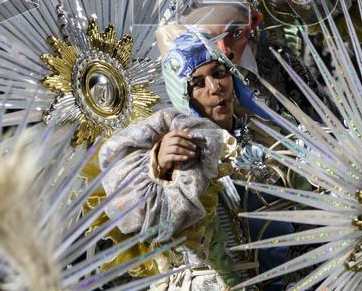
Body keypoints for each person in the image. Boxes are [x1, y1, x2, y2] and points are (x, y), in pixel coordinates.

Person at [97, 28, 293, 289]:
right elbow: (155, 226)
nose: (215, 88)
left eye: (219, 73)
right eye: (197, 83)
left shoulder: (266, 132)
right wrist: (159, 166)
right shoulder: (181, 152)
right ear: (183, 95)